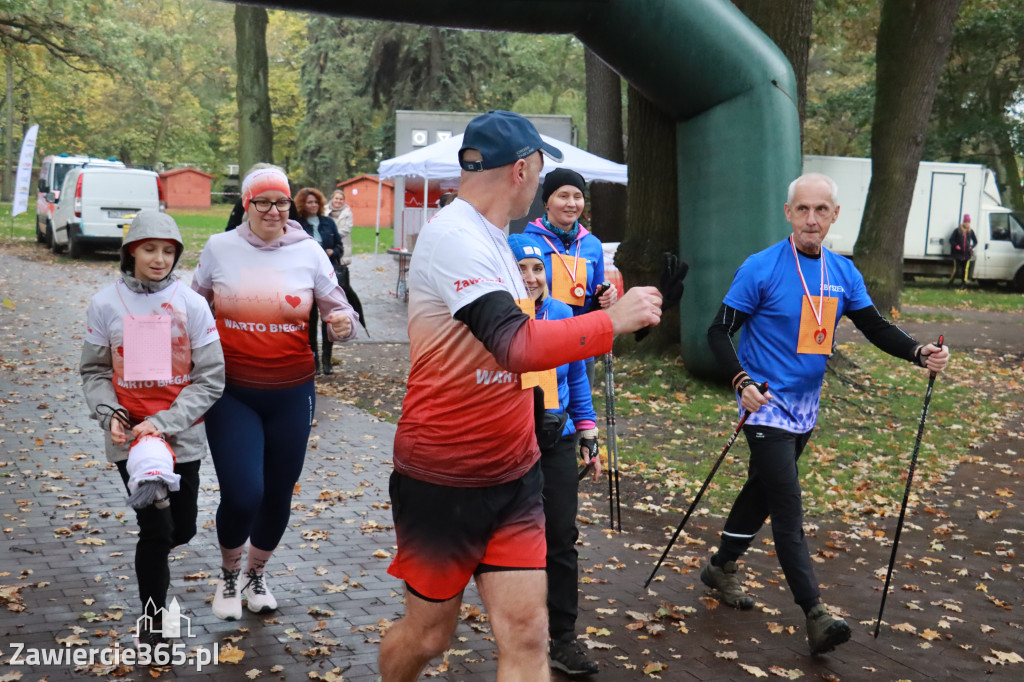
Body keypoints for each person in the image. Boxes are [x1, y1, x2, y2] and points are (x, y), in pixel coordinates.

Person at [378, 110, 662, 682]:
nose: (537, 183)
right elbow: (516, 346)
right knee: (430, 635)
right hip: (444, 473)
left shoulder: (497, 240)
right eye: (538, 172)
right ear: (523, 169)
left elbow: (536, 343)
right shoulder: (452, 236)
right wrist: (611, 322)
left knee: (529, 635)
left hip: (514, 472)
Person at [703, 173, 950, 655]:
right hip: (765, 406)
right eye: (802, 209)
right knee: (788, 505)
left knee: (763, 491)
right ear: (788, 213)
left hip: (806, 408)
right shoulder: (761, 267)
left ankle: (720, 565)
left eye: (821, 210)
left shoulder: (843, 271)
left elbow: (874, 326)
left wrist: (918, 352)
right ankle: (815, 612)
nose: (811, 219)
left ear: (835, 215)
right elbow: (718, 331)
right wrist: (741, 382)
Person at [190, 165, 359, 621]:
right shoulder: (220, 248)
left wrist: (341, 323)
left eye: (280, 202)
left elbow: (338, 307)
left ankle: (255, 574)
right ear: (246, 204)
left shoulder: (308, 251)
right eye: (262, 201)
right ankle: (228, 575)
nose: (273, 210)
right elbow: (193, 305)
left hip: (292, 391)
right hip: (233, 391)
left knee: (278, 492)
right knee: (244, 493)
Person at [80, 211, 225, 645]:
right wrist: (112, 415)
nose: (159, 258)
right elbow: (94, 371)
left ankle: (160, 562)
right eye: (149, 249)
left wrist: (163, 423)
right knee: (155, 532)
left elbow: (211, 376)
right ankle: (153, 627)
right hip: (130, 438)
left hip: (182, 435)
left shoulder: (192, 304)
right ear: (131, 252)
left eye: (168, 250)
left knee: (182, 530)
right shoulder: (105, 304)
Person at [508, 232, 603, 677]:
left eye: (537, 269)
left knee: (561, 537)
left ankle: (563, 637)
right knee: (509, 541)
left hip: (558, 440)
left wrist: (587, 432)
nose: (531, 278)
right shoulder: (498, 318)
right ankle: (514, 631)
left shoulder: (564, 313)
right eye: (521, 269)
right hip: (509, 442)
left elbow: (578, 375)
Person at [523, 168, 617, 316]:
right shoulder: (526, 242)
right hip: (544, 330)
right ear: (546, 202)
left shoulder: (593, 244)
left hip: (583, 331)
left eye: (578, 197)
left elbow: (596, 291)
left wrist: (606, 296)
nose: (572, 203)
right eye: (564, 196)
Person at [295, 187, 344, 375]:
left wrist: (334, 251)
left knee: (329, 318)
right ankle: (313, 360)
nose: (313, 205)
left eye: (316, 202)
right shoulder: (297, 224)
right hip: (306, 277)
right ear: (302, 204)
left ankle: (327, 360)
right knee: (310, 320)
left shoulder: (328, 222)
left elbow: (340, 244)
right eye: (309, 202)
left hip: (328, 276)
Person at [325, 189, 354, 288]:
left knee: (340, 271)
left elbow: (348, 228)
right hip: (327, 244)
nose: (338, 201)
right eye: (336, 198)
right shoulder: (325, 210)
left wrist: (334, 235)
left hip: (341, 243)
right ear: (332, 199)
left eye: (341, 199)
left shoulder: (347, 212)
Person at [949, 213, 977, 288]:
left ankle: (963, 284)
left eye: (968, 222)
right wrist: (956, 246)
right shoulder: (957, 231)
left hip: (966, 254)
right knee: (956, 270)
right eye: (965, 222)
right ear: (963, 222)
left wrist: (971, 247)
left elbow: (975, 241)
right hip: (957, 254)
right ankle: (950, 283)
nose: (967, 224)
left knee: (965, 270)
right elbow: (951, 240)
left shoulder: (971, 232)